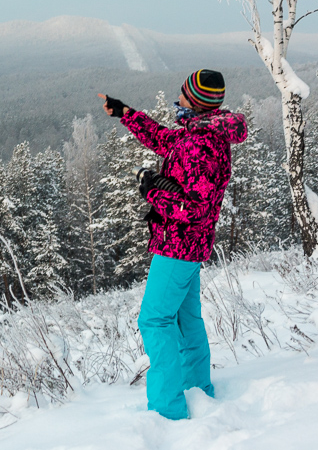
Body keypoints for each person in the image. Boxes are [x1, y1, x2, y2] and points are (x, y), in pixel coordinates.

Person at [100, 69, 247, 420]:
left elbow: (194, 210)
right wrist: (125, 113)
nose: (177, 100)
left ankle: (168, 410)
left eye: (183, 95)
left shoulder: (201, 145)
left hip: (178, 245)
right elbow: (164, 139)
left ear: (196, 102)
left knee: (154, 320)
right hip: (187, 245)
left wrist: (151, 189)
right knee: (185, 318)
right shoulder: (198, 133)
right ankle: (198, 391)